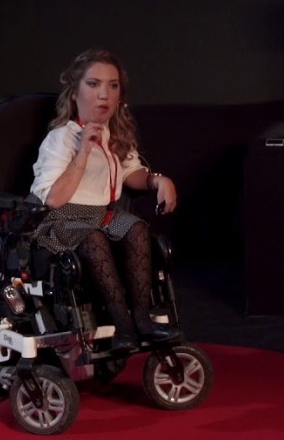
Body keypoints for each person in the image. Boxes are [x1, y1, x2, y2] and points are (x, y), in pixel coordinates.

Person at [29, 48, 179, 351]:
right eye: (93, 84)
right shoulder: (61, 138)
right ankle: (122, 325)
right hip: (58, 218)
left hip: (100, 214)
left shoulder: (114, 134)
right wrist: (83, 151)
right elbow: (54, 198)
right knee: (93, 237)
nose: (104, 95)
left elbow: (131, 172)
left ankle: (142, 318)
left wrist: (158, 180)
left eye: (113, 85)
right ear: (75, 93)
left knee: (136, 229)